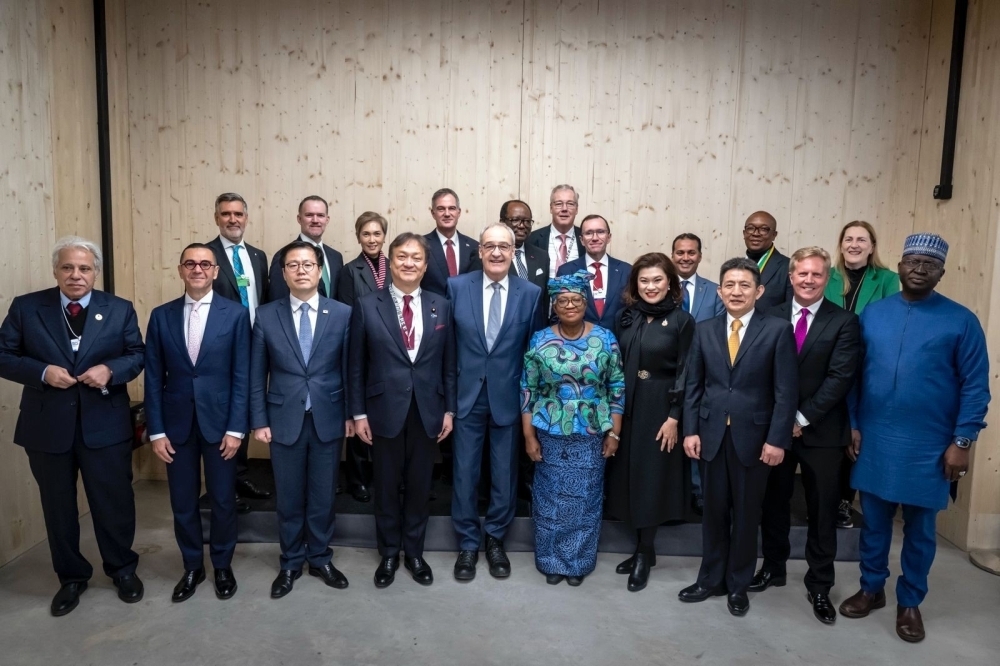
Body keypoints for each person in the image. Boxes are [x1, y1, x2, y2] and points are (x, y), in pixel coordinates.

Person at [839, 233, 990, 643]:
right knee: (874, 523)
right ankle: (871, 588)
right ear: (900, 266)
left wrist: (962, 442)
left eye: (930, 264)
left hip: (931, 445)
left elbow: (976, 387)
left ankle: (910, 601)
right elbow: (853, 376)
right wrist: (853, 423)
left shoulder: (961, 321)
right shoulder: (873, 315)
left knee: (920, 531)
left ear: (942, 272)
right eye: (913, 261)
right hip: (875, 438)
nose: (920, 269)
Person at [0, 236, 145, 616]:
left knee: (114, 503)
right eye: (67, 267)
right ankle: (71, 577)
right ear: (56, 271)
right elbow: (3, 354)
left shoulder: (119, 309)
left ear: (95, 273)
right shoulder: (27, 307)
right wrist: (42, 372)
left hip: (105, 425)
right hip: (47, 427)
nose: (76, 275)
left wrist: (110, 370)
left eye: (84, 268)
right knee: (58, 507)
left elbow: (136, 354)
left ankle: (122, 569)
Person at [679, 257, 797, 617]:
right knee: (713, 513)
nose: (736, 291)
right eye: (729, 285)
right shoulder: (704, 329)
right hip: (711, 435)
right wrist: (690, 430)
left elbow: (786, 392)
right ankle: (710, 579)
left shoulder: (777, 330)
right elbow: (694, 386)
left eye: (744, 285)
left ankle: (737, 584)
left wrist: (777, 440)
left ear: (758, 291)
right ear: (719, 291)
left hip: (755, 439)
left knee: (746, 515)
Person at [750, 247, 860, 624]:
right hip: (775, 431)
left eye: (816, 274)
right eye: (802, 273)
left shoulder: (844, 322)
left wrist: (800, 418)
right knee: (774, 503)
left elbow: (840, 378)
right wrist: (781, 422)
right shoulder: (770, 316)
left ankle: (820, 584)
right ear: (791, 277)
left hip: (823, 434)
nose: (809, 280)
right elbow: (760, 373)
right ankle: (773, 567)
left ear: (826, 278)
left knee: (822, 510)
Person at [349, 233, 457, 588]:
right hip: (383, 410)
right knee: (385, 485)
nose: (409, 263)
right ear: (390, 261)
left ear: (425, 266)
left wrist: (450, 410)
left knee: (419, 486)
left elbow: (449, 363)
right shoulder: (367, 305)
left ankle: (414, 552)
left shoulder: (441, 305)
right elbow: (355, 366)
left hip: (428, 410)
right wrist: (358, 414)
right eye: (401, 257)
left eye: (416, 258)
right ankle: (389, 553)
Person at [144, 243, 250, 602]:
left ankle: (222, 565)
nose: (198, 269)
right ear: (180, 270)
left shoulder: (235, 315)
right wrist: (156, 431)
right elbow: (153, 377)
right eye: (190, 263)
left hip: (221, 426)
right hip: (175, 427)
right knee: (183, 502)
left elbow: (242, 376)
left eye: (205, 264)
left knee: (222, 500)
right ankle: (192, 566)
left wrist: (236, 429)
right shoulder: (161, 315)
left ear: (216, 271)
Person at [250, 240, 355, 598]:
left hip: (329, 417)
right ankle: (291, 561)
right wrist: (259, 419)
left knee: (323, 495)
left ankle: (321, 558)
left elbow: (350, 370)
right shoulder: (267, 315)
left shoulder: (341, 313)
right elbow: (256, 373)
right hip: (283, 419)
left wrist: (350, 415)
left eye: (308, 264)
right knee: (289, 497)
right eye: (293, 265)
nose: (301, 270)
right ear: (283, 273)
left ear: (319, 270)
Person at [448, 223, 543, 581]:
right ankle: (467, 543)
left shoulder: (530, 293)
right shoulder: (457, 287)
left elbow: (532, 353)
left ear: (513, 251)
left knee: (504, 474)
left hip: (508, 398)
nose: (497, 252)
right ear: (480, 251)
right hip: (466, 397)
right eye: (490, 246)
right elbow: (447, 347)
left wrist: (529, 404)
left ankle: (495, 541)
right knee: (464, 474)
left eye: (504, 246)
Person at [521, 271, 625, 586]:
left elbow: (617, 387)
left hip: (591, 432)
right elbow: (528, 389)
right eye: (563, 300)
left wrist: (614, 433)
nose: (569, 305)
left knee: (585, 499)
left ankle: (578, 562)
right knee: (550, 498)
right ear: (554, 305)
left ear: (585, 302)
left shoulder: (605, 338)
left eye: (576, 300)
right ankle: (551, 560)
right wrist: (528, 435)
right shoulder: (540, 339)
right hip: (550, 430)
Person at [606, 253, 694, 592]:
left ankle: (645, 551)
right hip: (627, 404)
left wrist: (674, 416)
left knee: (652, 478)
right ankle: (642, 547)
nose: (651, 286)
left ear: (670, 283)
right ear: (635, 284)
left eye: (657, 280)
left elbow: (687, 371)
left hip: (661, 407)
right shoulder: (625, 317)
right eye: (644, 280)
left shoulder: (682, 321)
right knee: (629, 474)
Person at [824, 220, 899, 529]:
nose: (854, 244)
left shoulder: (888, 279)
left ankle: (845, 500)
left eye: (861, 240)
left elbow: (891, 323)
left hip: (868, 366)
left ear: (872, 246)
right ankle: (823, 500)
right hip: (827, 366)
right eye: (849, 239)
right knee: (829, 436)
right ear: (841, 244)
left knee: (854, 436)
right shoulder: (826, 276)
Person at [206, 192, 271, 509]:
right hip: (222, 346)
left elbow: (264, 300)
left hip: (255, 343)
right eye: (226, 214)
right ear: (216, 218)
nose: (232, 219)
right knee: (223, 412)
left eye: (238, 214)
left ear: (246, 217)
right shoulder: (207, 255)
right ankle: (222, 482)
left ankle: (239, 474)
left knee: (244, 408)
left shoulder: (258, 256)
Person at [337, 211, 395, 504]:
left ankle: (386, 477)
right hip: (363, 348)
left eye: (377, 234)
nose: (372, 239)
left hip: (392, 352)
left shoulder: (395, 266)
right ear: (358, 237)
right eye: (366, 234)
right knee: (360, 416)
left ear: (384, 236)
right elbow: (347, 315)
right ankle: (358, 479)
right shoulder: (350, 271)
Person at [672, 232, 724, 514]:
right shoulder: (661, 287)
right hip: (667, 371)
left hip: (702, 372)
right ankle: (672, 490)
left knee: (696, 429)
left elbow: (718, 333)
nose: (685, 257)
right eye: (680, 252)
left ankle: (697, 489)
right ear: (672, 256)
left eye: (691, 252)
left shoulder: (715, 291)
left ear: (700, 256)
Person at [556, 215, 630, 329]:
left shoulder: (627, 270)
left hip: (618, 337)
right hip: (579, 338)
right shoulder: (566, 271)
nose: (595, 238)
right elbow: (558, 312)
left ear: (609, 237)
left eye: (600, 232)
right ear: (582, 240)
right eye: (589, 233)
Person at [267, 195, 346, 302]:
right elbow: (278, 300)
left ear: (327, 220)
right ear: (299, 219)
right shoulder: (284, 255)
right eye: (309, 215)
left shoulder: (336, 257)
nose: (315, 220)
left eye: (320, 215)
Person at [421, 188, 478, 295]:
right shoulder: (421, 245)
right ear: (433, 213)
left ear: (458, 212)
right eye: (441, 209)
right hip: (433, 305)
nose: (447, 214)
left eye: (452, 208)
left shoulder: (474, 246)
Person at [527, 184, 586, 277]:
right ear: (551, 208)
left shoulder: (586, 238)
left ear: (577, 209)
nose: (564, 209)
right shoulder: (532, 239)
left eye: (570, 204)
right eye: (558, 204)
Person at [741, 211, 792, 312]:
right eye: (750, 228)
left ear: (774, 235)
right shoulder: (733, 268)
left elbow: (790, 310)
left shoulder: (788, 267)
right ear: (744, 233)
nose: (755, 233)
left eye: (764, 229)